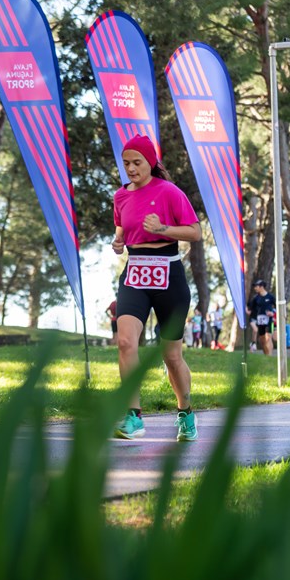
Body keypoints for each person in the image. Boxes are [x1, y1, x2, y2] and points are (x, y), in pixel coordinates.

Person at [110, 134, 202, 442]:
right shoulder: (121, 196)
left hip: (169, 274)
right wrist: (118, 239)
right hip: (135, 272)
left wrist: (162, 229)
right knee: (125, 342)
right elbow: (121, 227)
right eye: (126, 164)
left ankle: (186, 413)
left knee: (171, 356)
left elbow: (195, 232)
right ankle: (133, 416)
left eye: (137, 163)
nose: (132, 169)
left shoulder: (170, 192)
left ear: (151, 162)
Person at [250, 279, 276, 355]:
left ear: (261, 287)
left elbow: (277, 307)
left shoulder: (270, 297)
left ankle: (270, 356)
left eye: (256, 286)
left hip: (269, 320)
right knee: (262, 340)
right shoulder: (256, 298)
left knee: (268, 337)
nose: (255, 288)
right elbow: (251, 309)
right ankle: (266, 354)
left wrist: (273, 313)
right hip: (260, 321)